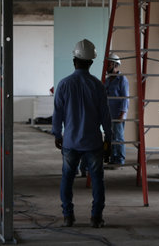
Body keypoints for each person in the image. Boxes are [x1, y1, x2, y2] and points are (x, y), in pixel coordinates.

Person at [52, 39, 112, 228]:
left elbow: (58, 113)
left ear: (74, 60)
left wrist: (57, 134)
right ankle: (96, 217)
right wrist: (109, 139)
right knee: (97, 180)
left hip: (70, 142)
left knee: (67, 179)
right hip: (93, 142)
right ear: (91, 62)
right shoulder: (98, 86)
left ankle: (68, 216)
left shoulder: (63, 85)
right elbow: (105, 116)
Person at [104, 53, 129, 165]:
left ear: (114, 64)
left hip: (118, 114)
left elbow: (125, 98)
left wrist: (122, 114)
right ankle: (113, 158)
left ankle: (120, 159)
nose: (106, 67)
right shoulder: (108, 80)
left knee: (118, 137)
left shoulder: (122, 79)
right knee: (110, 136)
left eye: (108, 64)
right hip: (108, 113)